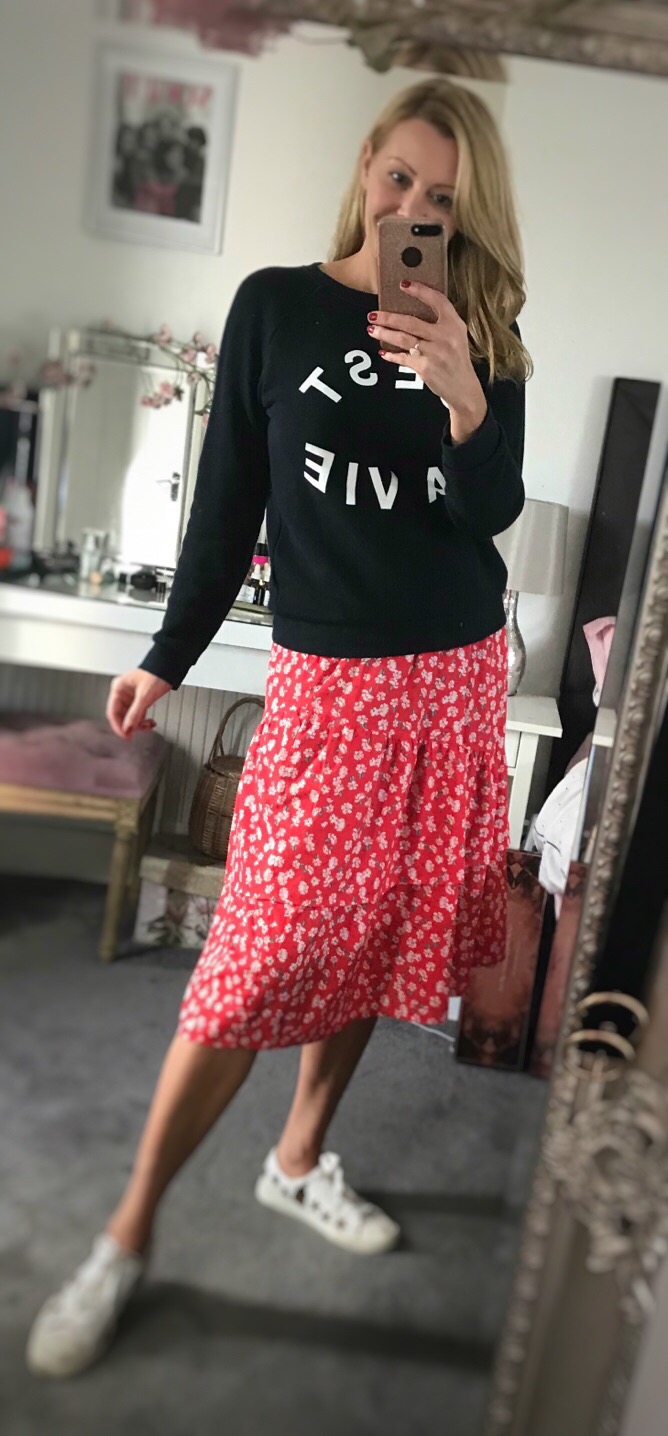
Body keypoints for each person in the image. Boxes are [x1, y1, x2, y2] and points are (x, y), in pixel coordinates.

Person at [27, 77, 530, 1379]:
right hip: (326, 685)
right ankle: (126, 1236)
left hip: (453, 676)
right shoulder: (273, 308)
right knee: (252, 963)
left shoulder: (485, 329)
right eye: (400, 178)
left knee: (375, 937)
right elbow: (225, 508)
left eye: (443, 196)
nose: (414, 207)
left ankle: (299, 1157)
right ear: (366, 167)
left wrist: (467, 401)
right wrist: (167, 656)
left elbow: (488, 515)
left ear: (470, 212)